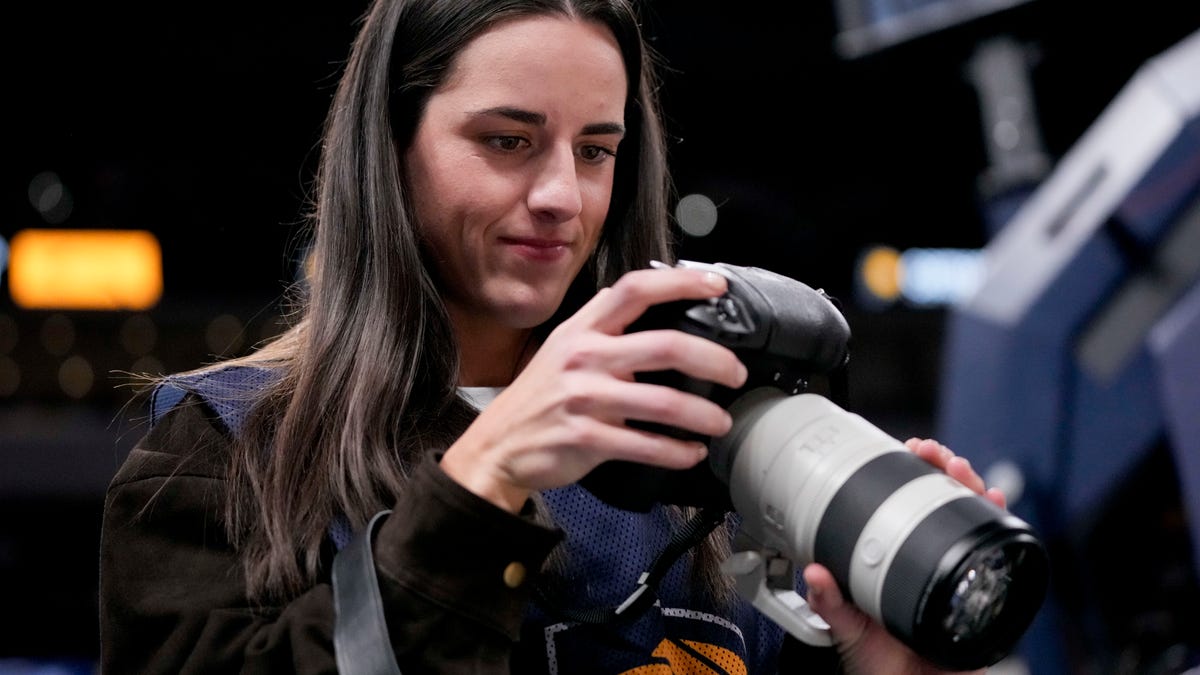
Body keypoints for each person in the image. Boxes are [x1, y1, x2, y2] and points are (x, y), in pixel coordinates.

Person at [99, 0, 1008, 673]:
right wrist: (481, 484)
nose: (562, 198)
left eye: (596, 150)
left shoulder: (701, 460)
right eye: (506, 141)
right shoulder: (223, 448)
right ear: (390, 148)